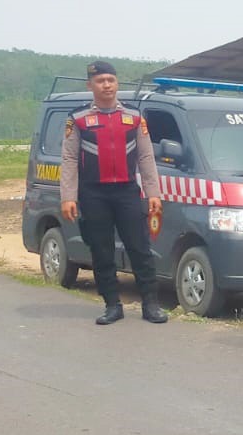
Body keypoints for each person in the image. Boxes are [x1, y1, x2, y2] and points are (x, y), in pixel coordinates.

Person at [60, 61, 167, 326]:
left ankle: (150, 305)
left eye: (110, 79)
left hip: (127, 192)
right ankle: (112, 305)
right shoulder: (78, 118)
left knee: (140, 247)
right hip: (93, 193)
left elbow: (146, 157)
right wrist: (68, 197)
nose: (106, 85)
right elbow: (69, 158)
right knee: (101, 250)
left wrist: (153, 192)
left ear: (117, 83)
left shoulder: (134, 117)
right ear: (90, 85)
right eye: (100, 80)